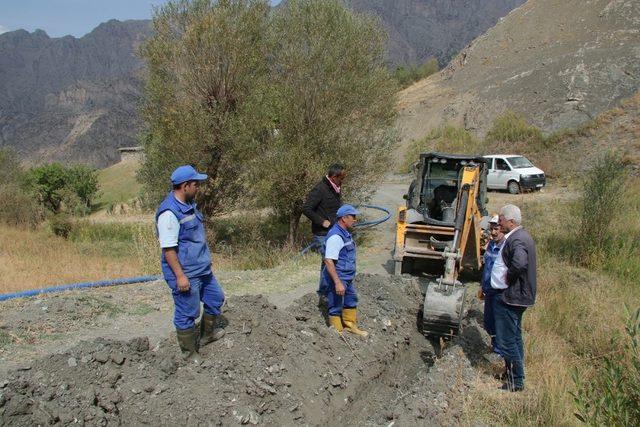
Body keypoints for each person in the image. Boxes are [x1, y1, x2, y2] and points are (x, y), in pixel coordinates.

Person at [155, 165, 226, 361]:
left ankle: (206, 336)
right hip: (186, 273)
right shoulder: (169, 213)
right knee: (188, 312)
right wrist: (180, 276)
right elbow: (169, 250)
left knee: (215, 298)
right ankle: (189, 353)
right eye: (196, 184)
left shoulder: (189, 205)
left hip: (201, 269)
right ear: (185, 186)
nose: (198, 188)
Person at [491, 204, 537, 392]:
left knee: (506, 340)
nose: (498, 222)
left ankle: (516, 381)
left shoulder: (517, 240)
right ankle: (512, 373)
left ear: (511, 221)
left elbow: (519, 263)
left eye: (501, 219)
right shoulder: (521, 236)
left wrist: (507, 279)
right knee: (515, 337)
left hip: (512, 297)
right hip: (517, 296)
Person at [322, 204, 368, 338]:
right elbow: (328, 261)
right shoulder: (335, 236)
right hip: (338, 276)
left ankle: (349, 326)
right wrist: (337, 282)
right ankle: (337, 333)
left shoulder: (345, 233)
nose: (355, 220)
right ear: (344, 218)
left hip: (347, 277)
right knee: (336, 304)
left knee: (351, 299)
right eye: (353, 217)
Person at [302, 164, 346, 295]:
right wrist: (322, 221)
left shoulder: (335, 188)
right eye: (341, 178)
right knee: (329, 261)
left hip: (334, 232)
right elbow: (306, 209)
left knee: (329, 261)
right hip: (322, 233)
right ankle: (325, 293)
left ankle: (324, 291)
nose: (342, 181)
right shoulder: (320, 189)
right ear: (333, 177)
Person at [480, 215, 505, 356]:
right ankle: (495, 345)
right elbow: (486, 267)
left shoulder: (505, 247)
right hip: (488, 289)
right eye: (492, 229)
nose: (493, 232)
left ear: (503, 229)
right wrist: (481, 285)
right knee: (488, 322)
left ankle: (499, 352)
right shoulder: (490, 244)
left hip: (499, 292)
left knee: (499, 322)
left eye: (496, 229)